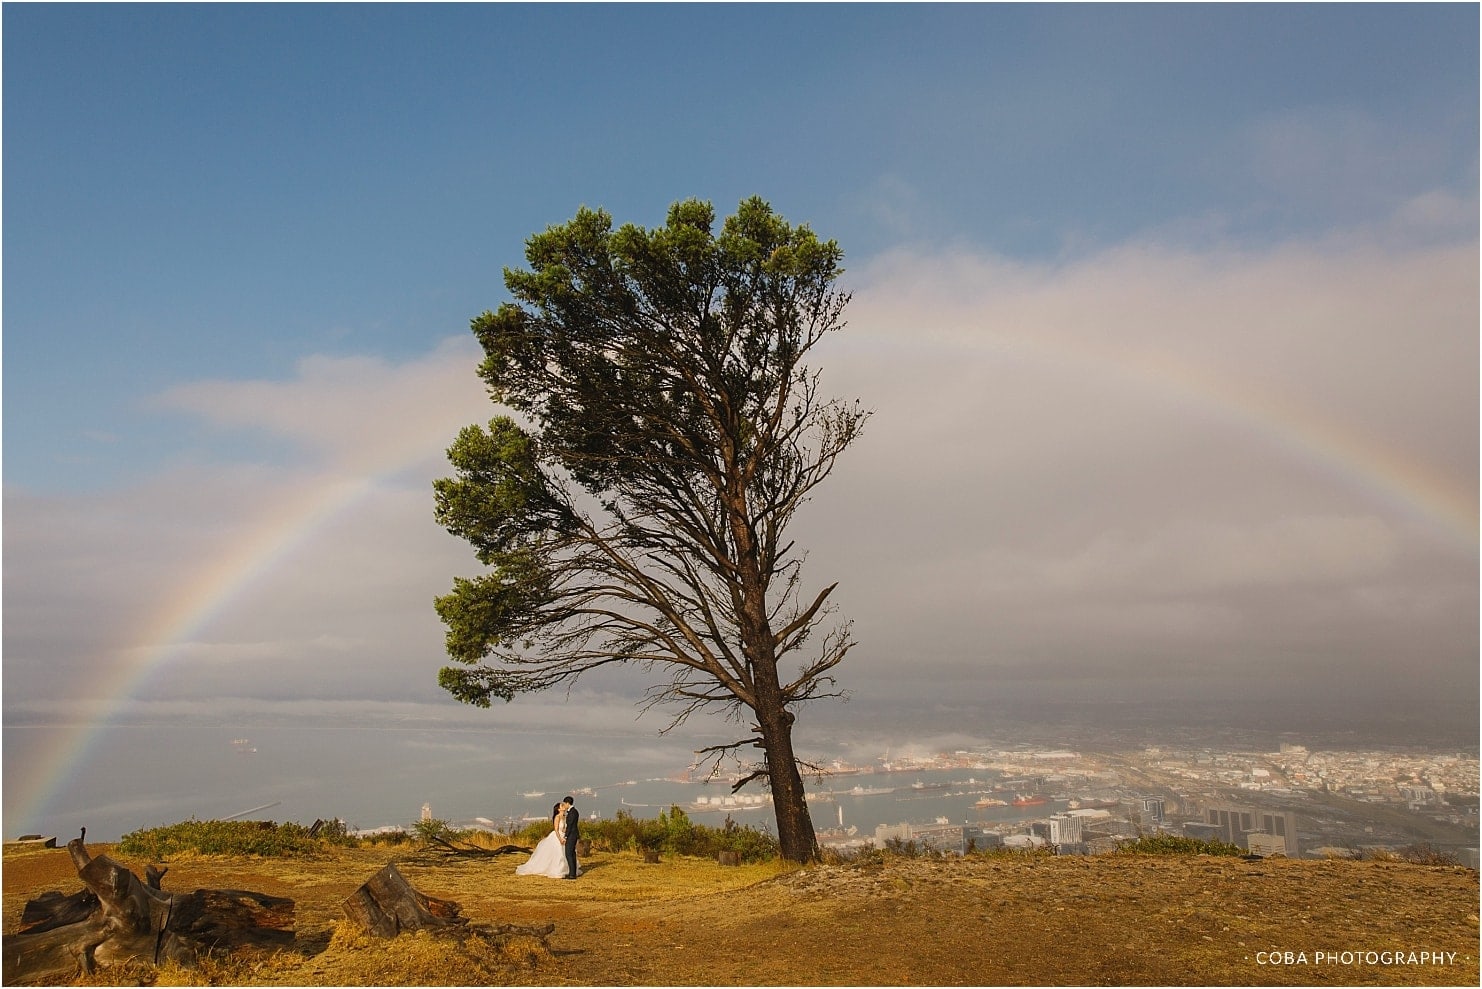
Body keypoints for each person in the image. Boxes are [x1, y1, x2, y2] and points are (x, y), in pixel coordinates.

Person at [515, 802, 573, 878]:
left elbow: (564, 828)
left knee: (565, 853)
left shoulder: (565, 817)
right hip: (557, 836)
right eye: (562, 806)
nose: (564, 806)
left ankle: (566, 869)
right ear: (559, 809)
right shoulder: (557, 817)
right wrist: (560, 839)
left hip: (563, 836)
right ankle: (557, 869)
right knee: (558, 853)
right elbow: (556, 829)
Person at [560, 795, 581, 880]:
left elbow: (570, 826)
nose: (564, 805)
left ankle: (572, 874)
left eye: (564, 803)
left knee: (569, 854)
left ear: (567, 803)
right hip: (573, 834)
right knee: (572, 854)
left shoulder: (572, 812)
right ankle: (572, 873)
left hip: (572, 835)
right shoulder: (573, 811)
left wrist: (565, 836)